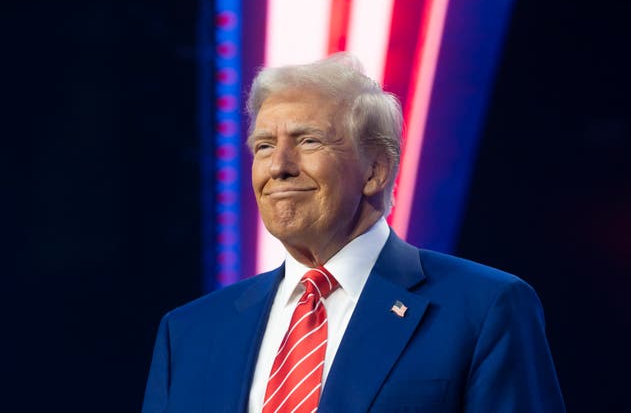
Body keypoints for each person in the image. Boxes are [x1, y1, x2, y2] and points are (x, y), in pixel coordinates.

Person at [142, 54, 565, 413]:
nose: (278, 167)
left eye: (307, 141)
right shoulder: (188, 333)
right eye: (264, 146)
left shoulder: (484, 308)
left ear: (375, 170)